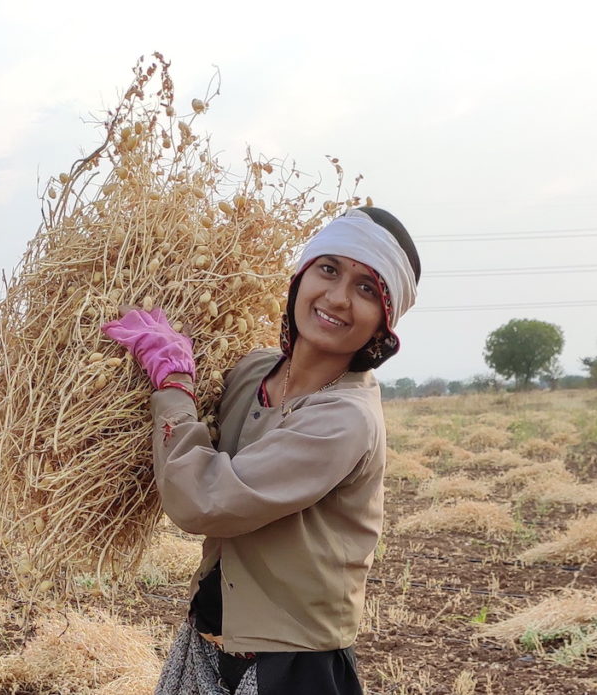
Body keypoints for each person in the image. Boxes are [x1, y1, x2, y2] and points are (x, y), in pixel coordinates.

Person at [102, 206, 421, 695]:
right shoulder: (253, 371)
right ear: (301, 277)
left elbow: (203, 498)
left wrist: (171, 382)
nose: (337, 298)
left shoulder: (344, 419)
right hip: (208, 644)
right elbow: (183, 442)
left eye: (365, 289)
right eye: (329, 269)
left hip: (290, 667)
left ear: (384, 324)